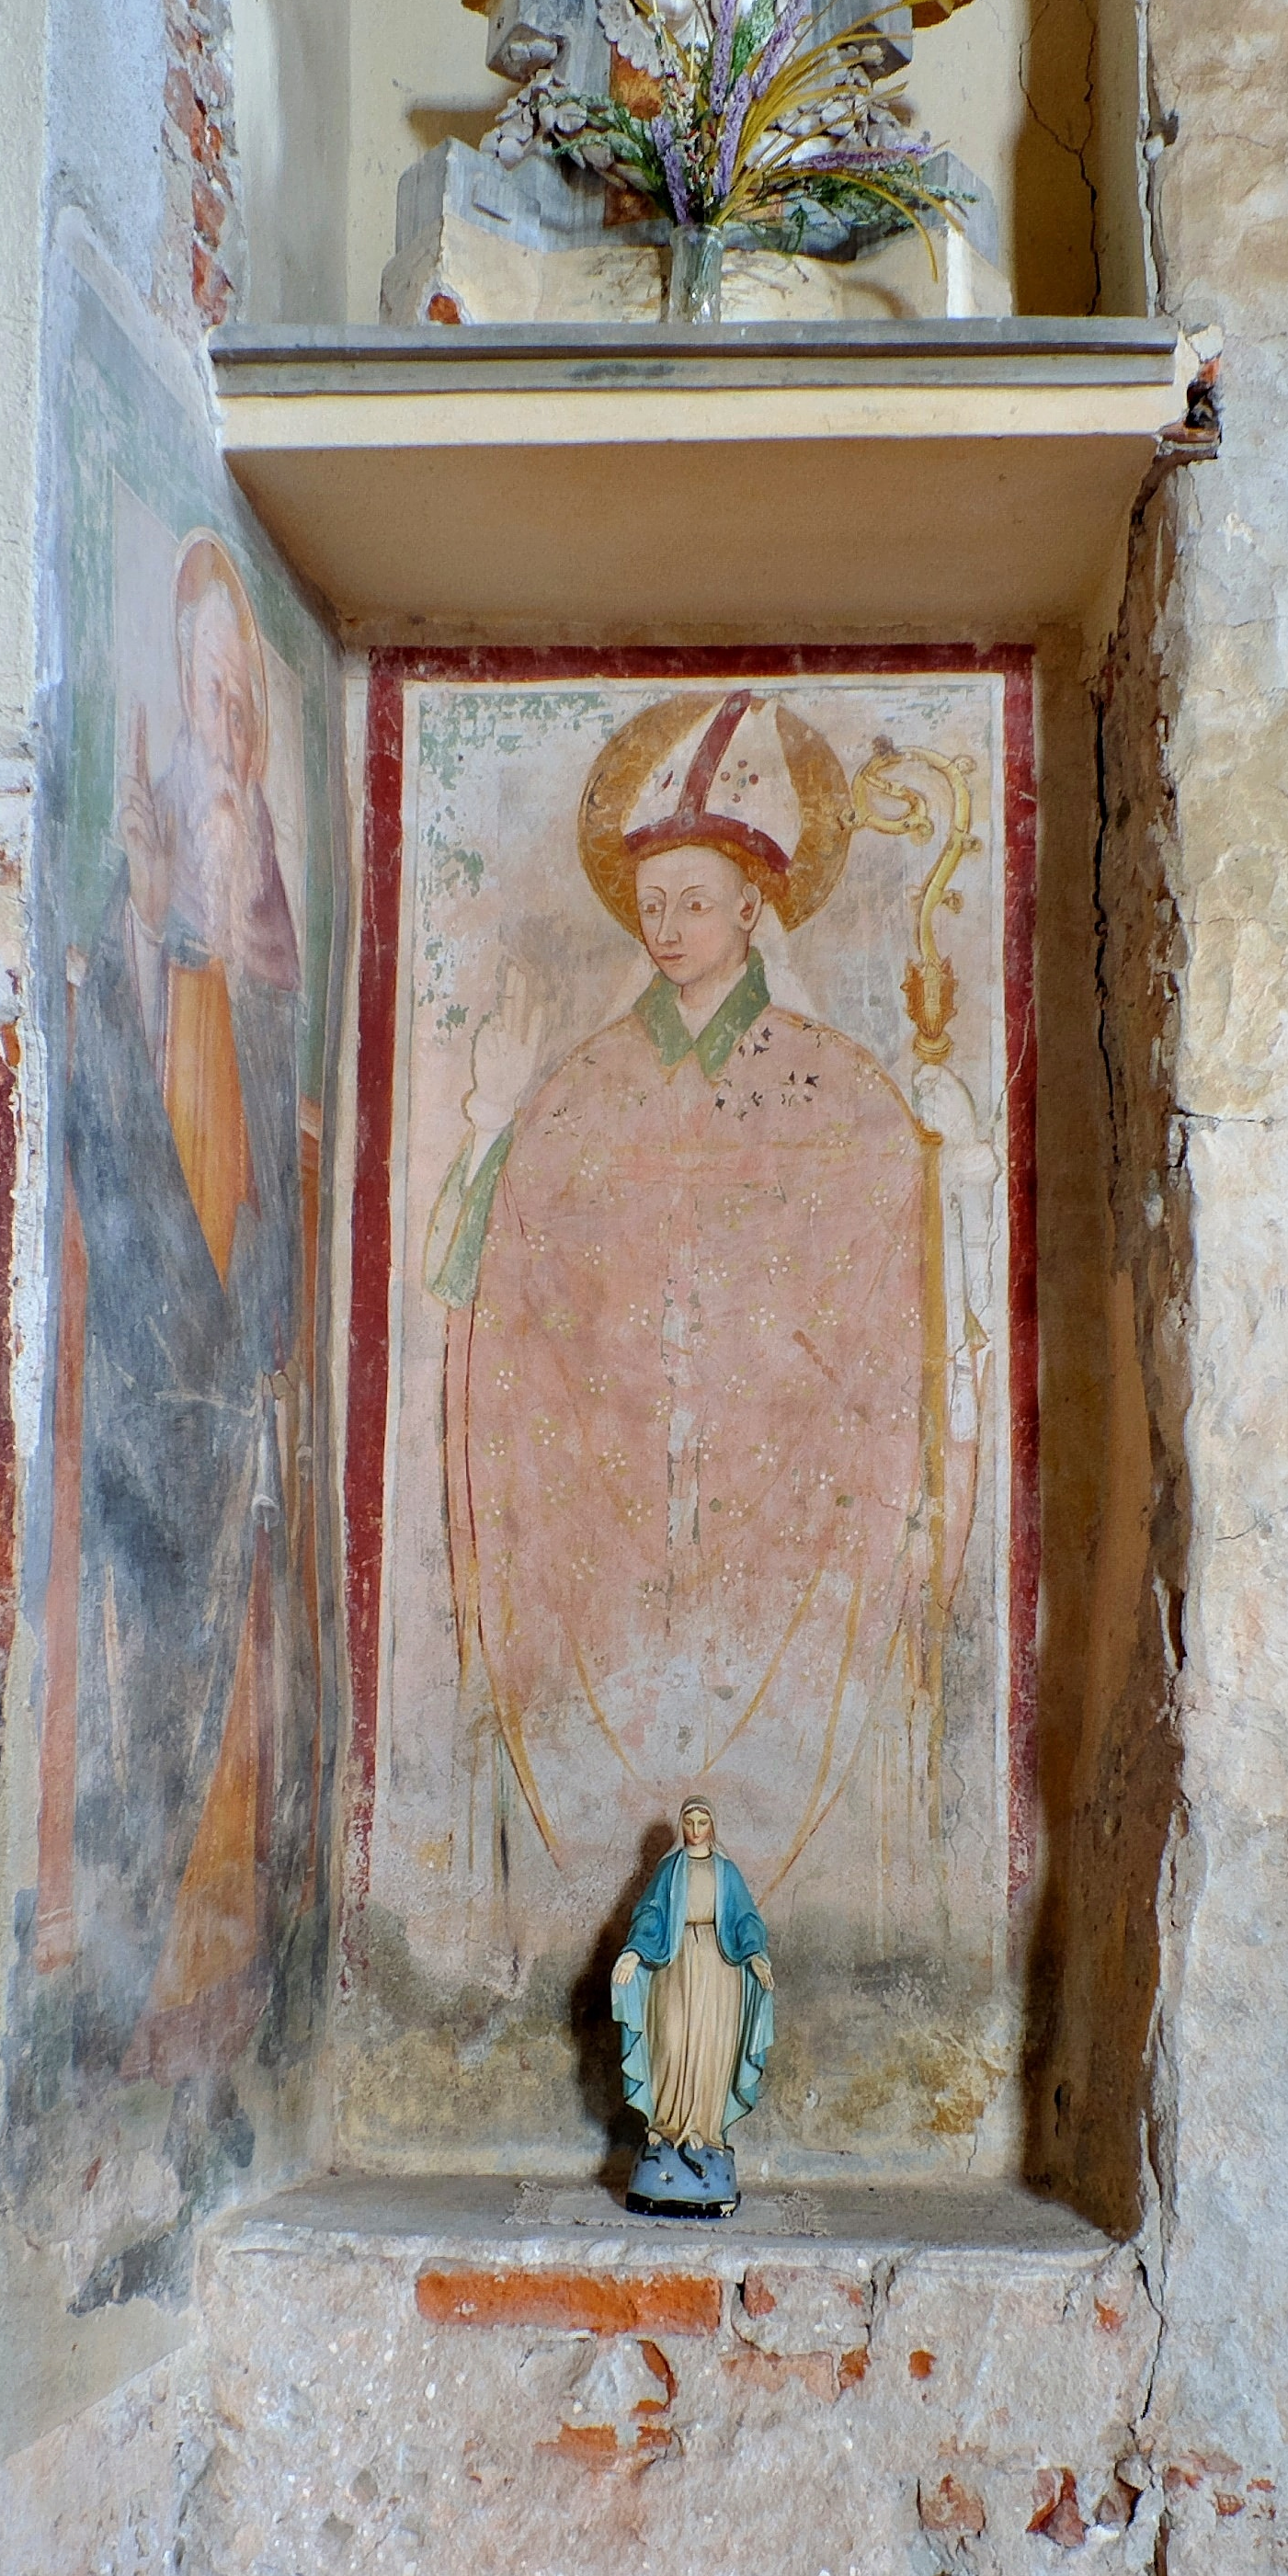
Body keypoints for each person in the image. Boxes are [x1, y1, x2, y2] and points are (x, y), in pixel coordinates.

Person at [426, 690, 933, 1897]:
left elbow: (879, 1310)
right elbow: (505, 1289)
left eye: (694, 902)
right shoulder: (577, 1090)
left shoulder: (843, 1091)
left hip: (780, 1483)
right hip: (603, 1501)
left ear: (756, 907)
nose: (668, 925)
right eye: (651, 904)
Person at [64, 530, 316, 2072]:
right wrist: (157, 954)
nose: (222, 725)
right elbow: (112, 1136)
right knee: (142, 1665)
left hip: (232, 1371)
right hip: (150, 1370)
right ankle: (127, 1970)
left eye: (242, 699)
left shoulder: (267, 927)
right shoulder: (138, 910)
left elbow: (279, 1172)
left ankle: (211, 1979)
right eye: (203, 687)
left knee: (236, 1682)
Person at [612, 1795, 771, 2213]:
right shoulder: (670, 1870)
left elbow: (745, 1920)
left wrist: (754, 1953)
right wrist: (633, 1952)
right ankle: (665, 2126)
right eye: (690, 1821)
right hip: (675, 1963)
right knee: (672, 2040)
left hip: (719, 1969)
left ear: (712, 1826)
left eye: (703, 1821)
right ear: (683, 1826)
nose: (696, 1829)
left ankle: (704, 2127)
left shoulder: (726, 1872)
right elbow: (649, 1917)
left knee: (710, 2046)